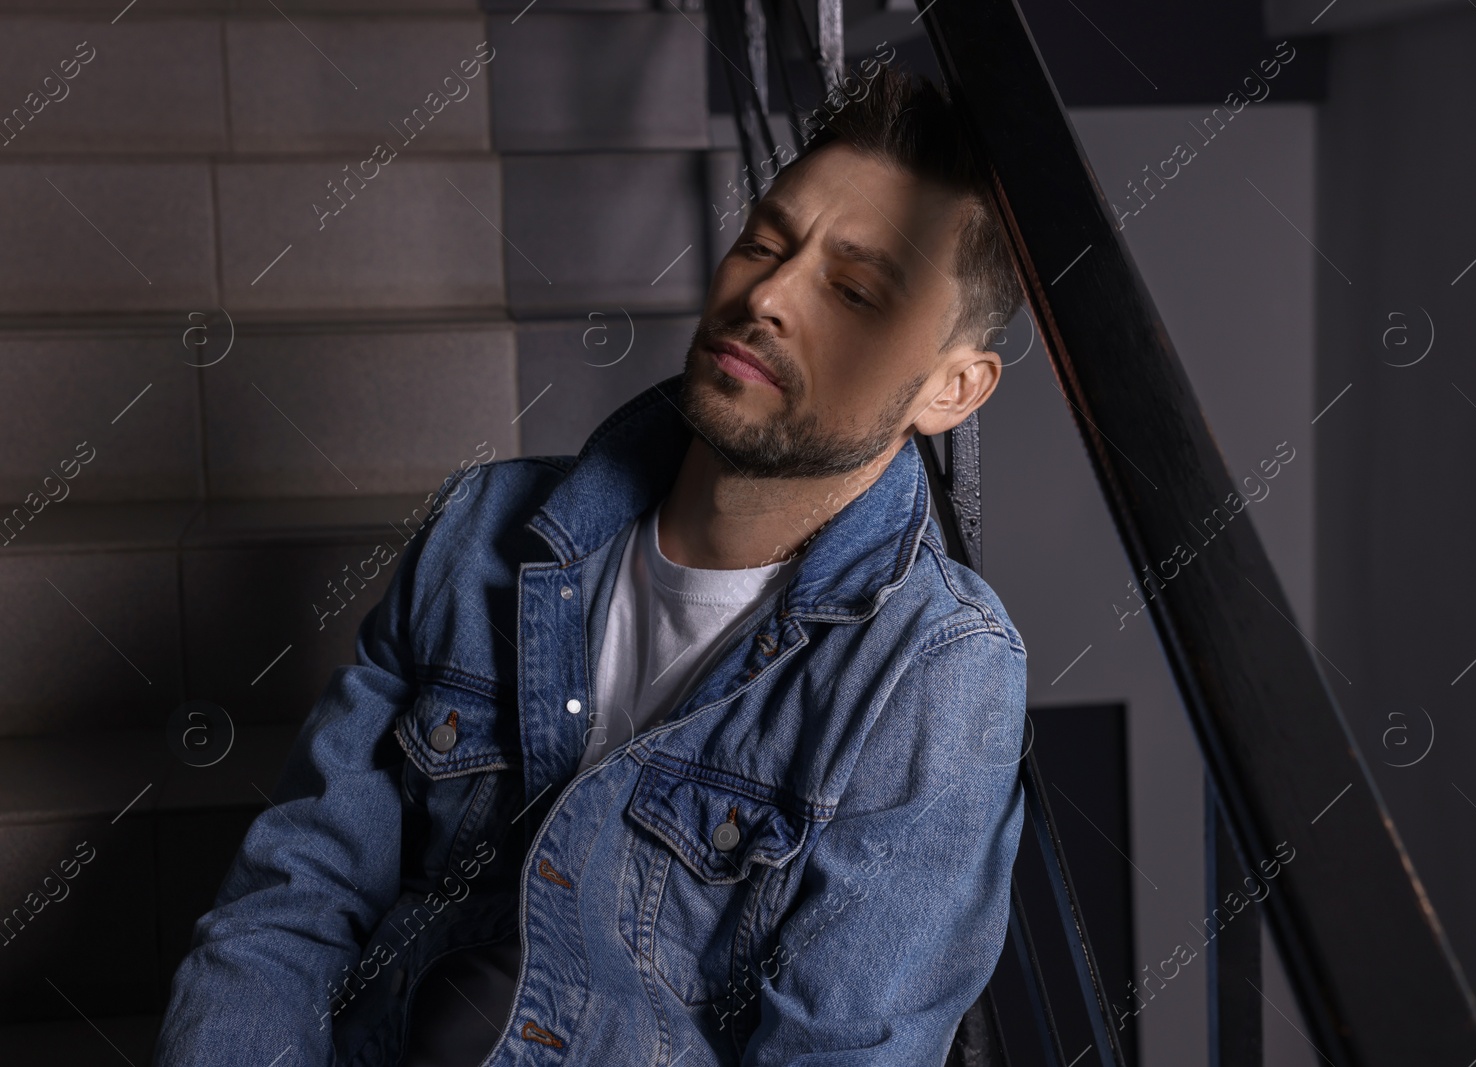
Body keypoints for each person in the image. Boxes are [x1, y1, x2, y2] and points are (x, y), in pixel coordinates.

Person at [153, 62, 1029, 1067]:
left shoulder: (934, 675)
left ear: (952, 390)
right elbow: (296, 897)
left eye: (857, 290)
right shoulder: (482, 526)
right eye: (762, 242)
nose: (769, 296)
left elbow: (838, 1051)